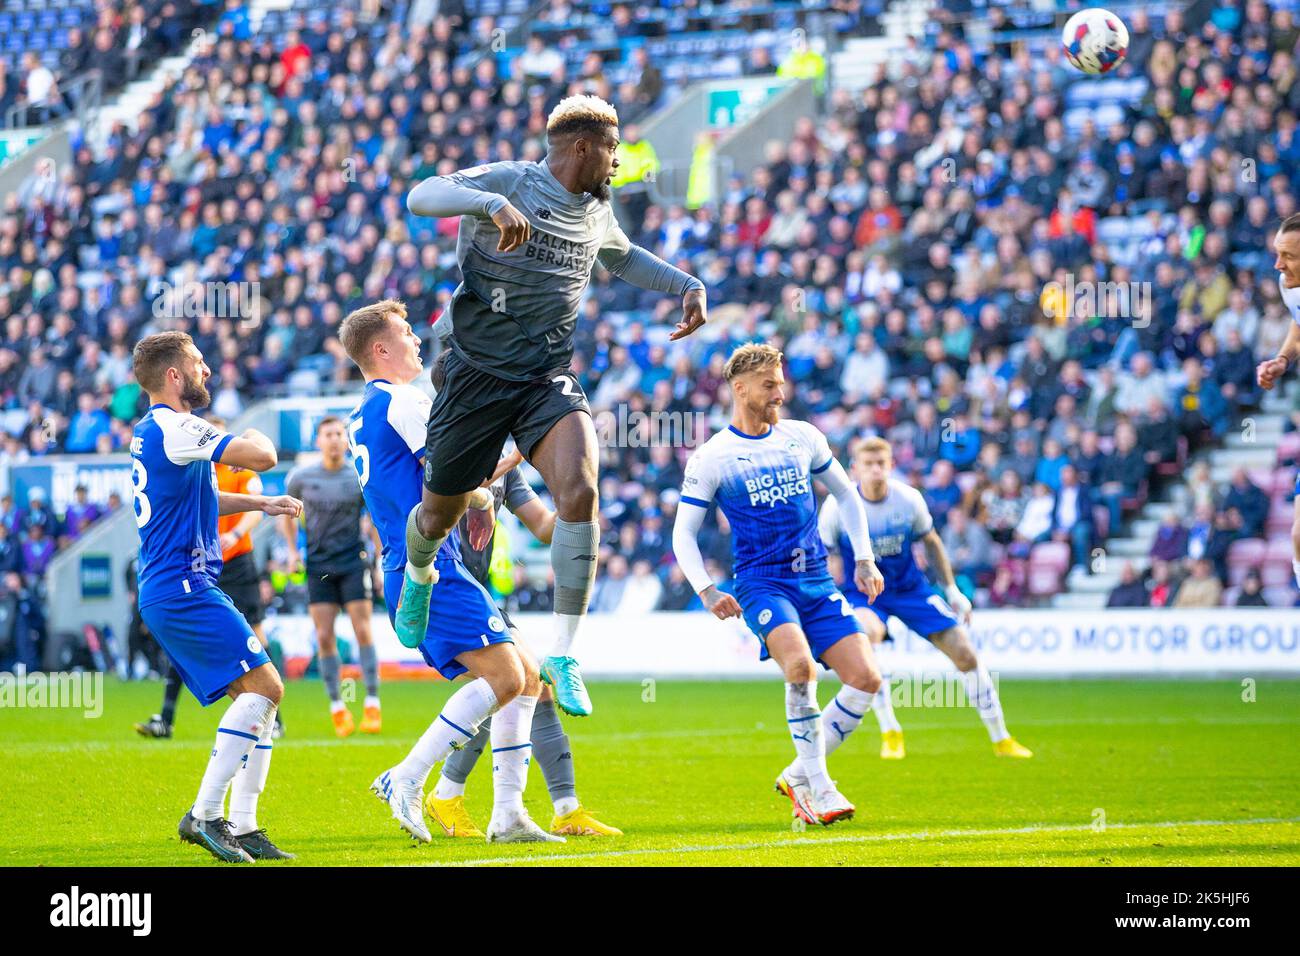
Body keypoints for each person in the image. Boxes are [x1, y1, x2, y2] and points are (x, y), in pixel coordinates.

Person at [399, 94, 708, 718]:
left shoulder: (598, 207)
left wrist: (686, 285)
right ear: (583, 147)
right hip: (474, 375)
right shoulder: (513, 180)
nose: (619, 163)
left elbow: (620, 257)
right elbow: (421, 195)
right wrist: (488, 203)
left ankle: (564, 653)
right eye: (615, 150)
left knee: (580, 491)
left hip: (545, 376)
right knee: (437, 517)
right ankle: (419, 574)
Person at [340, 300, 559, 843]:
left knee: (527, 676)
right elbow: (454, 477)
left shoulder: (364, 410)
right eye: (407, 332)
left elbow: (444, 482)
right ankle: (407, 778)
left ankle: (507, 813)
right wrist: (521, 452)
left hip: (416, 561)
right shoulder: (404, 401)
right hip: (429, 565)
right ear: (380, 349)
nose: (418, 340)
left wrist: (483, 489)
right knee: (506, 677)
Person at [671, 344, 886, 827]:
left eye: (781, 382)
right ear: (739, 388)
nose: (780, 393)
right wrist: (706, 588)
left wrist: (865, 559)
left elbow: (848, 496)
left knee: (867, 679)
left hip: (815, 578)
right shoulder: (713, 457)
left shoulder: (803, 437)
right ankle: (822, 787)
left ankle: (797, 773)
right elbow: (682, 533)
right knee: (800, 668)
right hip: (762, 585)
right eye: (769, 385)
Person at [422, 351, 621, 838]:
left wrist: (580, 510)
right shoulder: (429, 449)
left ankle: (562, 808)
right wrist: (478, 497)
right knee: (507, 685)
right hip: (439, 591)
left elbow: (544, 527)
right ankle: (444, 794)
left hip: (478, 594)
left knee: (529, 687)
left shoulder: (500, 462)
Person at [129, 331, 302, 863]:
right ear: (173, 376)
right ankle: (204, 815)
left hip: (175, 586)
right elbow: (264, 455)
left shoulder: (153, 431)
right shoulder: (178, 425)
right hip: (182, 586)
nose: (207, 371)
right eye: (198, 363)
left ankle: (245, 827)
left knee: (260, 701)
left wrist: (261, 505)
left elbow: (195, 494)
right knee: (267, 688)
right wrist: (254, 436)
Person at [821, 437, 1033, 761]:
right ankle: (891, 731)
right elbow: (824, 554)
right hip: (863, 592)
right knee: (868, 637)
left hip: (910, 589)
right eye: (869, 464)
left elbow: (931, 542)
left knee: (964, 653)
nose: (876, 469)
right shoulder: (838, 505)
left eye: (882, 463)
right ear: (854, 469)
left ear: (892, 465)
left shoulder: (908, 500)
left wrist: (952, 591)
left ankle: (1001, 738)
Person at [135, 416, 285, 741]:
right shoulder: (194, 464)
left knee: (255, 654)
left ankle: (275, 721)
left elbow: (245, 505)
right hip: (189, 575)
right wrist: (251, 434)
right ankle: (168, 717)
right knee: (260, 686)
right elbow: (265, 458)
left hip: (227, 563)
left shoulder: (211, 466)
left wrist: (251, 516)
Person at [281, 416, 383, 737]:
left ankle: (371, 703)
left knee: (362, 630)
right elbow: (286, 514)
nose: (336, 439)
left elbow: (376, 519)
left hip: (354, 562)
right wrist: (292, 551)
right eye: (329, 434)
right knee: (324, 637)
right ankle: (338, 707)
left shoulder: (357, 477)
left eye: (340, 434)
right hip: (319, 567)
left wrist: (379, 561)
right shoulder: (302, 478)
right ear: (318, 440)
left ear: (346, 440)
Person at [1255, 213, 1300, 588]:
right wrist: (1282, 359)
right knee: (1299, 535)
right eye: (1276, 253)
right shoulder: (1289, 285)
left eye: (1288, 255)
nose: (1278, 264)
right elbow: (1298, 325)